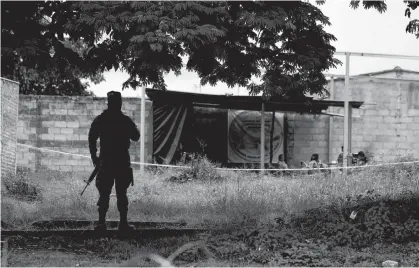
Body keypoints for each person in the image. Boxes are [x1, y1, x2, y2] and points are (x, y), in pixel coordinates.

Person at [88, 91, 140, 232]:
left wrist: (95, 158)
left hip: (106, 162)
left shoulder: (101, 119)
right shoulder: (125, 120)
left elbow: (91, 138)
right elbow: (136, 136)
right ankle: (123, 224)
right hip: (122, 161)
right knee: (121, 193)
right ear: (120, 103)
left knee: (104, 193)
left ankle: (101, 224)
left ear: (108, 103)